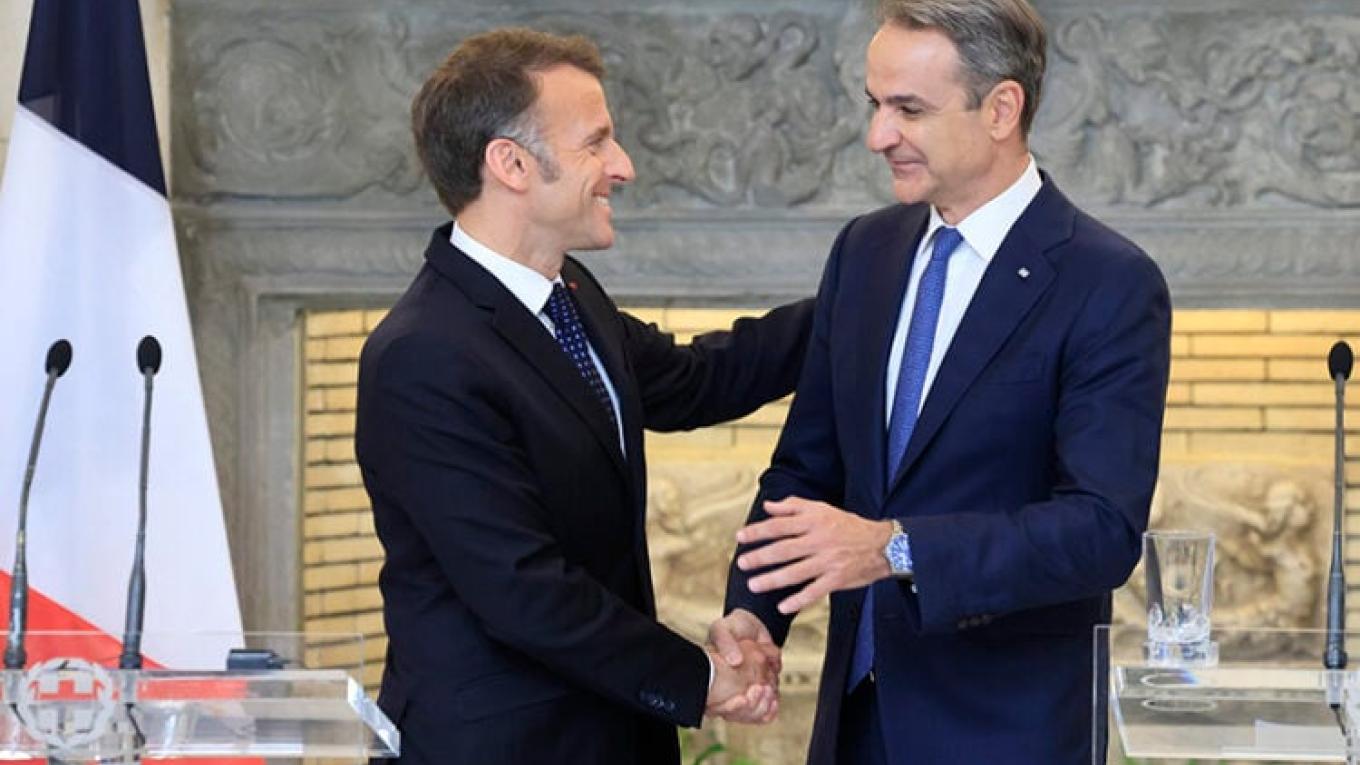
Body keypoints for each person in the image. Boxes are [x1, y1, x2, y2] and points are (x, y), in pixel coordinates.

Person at [709, 1, 1172, 762]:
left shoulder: (1109, 282)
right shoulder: (864, 251)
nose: (878, 135)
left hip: (1004, 735)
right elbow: (806, 469)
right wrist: (754, 614)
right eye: (875, 104)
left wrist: (896, 549)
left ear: (1001, 109)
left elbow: (1100, 530)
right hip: (855, 725)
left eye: (909, 110)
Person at [355, 28, 806, 765]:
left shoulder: (568, 295)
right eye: (596, 142)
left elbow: (696, 379)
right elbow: (524, 590)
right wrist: (700, 679)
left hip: (609, 734)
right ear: (511, 163)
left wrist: (863, 295)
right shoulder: (422, 355)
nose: (622, 166)